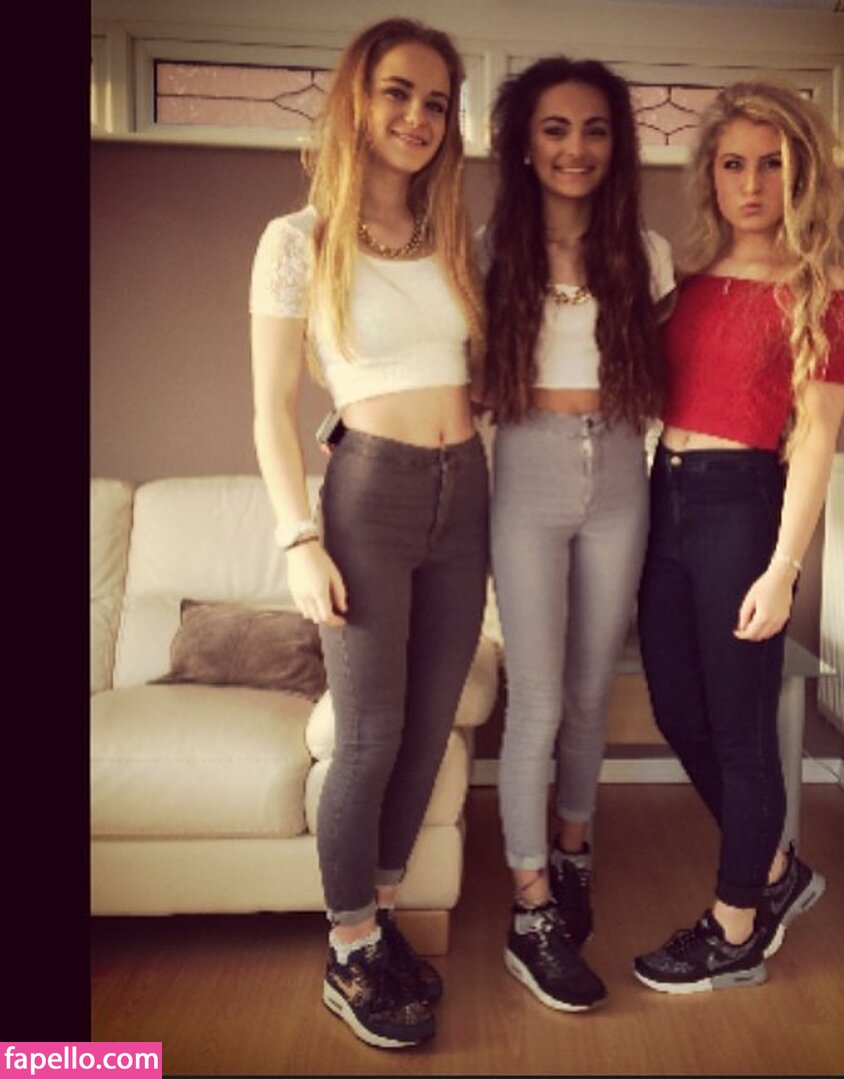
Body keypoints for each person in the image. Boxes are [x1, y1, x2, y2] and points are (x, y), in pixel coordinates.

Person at [248, 18, 489, 1049]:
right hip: (369, 499)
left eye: (436, 101)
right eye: (398, 92)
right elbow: (270, 409)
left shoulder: (457, 240)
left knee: (429, 728)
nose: (418, 117)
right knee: (370, 735)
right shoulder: (296, 240)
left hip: (465, 492)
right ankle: (348, 950)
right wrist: (297, 537)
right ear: (357, 99)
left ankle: (378, 920)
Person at [632, 80, 844, 994]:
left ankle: (737, 928)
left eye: (773, 165)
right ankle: (774, 870)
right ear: (711, 176)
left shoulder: (826, 290)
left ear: (800, 177)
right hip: (664, 498)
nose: (753, 183)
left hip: (742, 505)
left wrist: (783, 567)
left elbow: (817, 441)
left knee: (740, 725)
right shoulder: (681, 284)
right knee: (676, 708)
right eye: (734, 164)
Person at [478, 57, 675, 1013]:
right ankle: (530, 907)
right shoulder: (489, 251)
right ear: (525, 142)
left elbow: (672, 371)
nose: (575, 147)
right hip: (528, 469)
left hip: (622, 473)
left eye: (595, 128)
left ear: (616, 144)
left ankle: (572, 848)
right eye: (555, 128)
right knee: (540, 697)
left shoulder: (647, 252)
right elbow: (447, 366)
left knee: (595, 691)